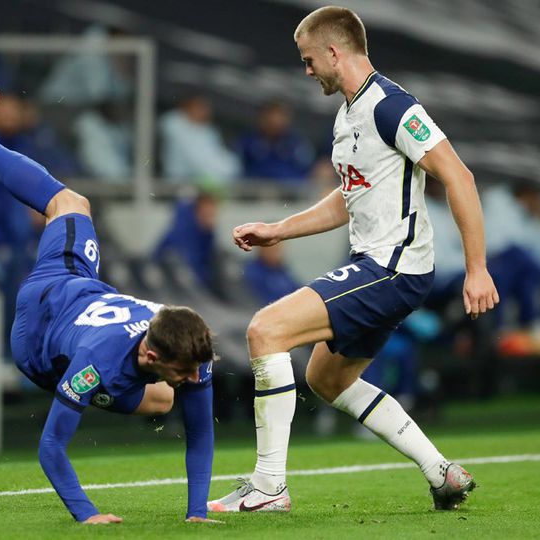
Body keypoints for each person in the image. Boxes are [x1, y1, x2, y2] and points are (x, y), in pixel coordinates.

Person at [208, 6, 499, 514]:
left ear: (334, 52)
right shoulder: (350, 113)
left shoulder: (391, 106)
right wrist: (279, 229)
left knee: (266, 330)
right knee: (326, 378)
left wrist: (477, 268)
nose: (307, 71)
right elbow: (349, 198)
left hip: (392, 267)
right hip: (384, 267)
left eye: (308, 60)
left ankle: (268, 486)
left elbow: (459, 177)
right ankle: (442, 472)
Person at [0, 85, 217, 524]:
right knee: (71, 202)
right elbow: (50, 448)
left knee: (165, 401)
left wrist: (196, 514)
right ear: (151, 352)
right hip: (43, 316)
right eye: (185, 367)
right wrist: (86, 515)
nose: (194, 375)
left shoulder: (187, 348)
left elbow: (201, 433)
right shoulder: (96, 361)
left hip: (82, 309)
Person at [238, 101, 315, 184]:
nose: (275, 121)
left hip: (290, 191)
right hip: (254, 190)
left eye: (280, 117)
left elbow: (305, 172)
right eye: (271, 117)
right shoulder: (248, 143)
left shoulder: (297, 145)